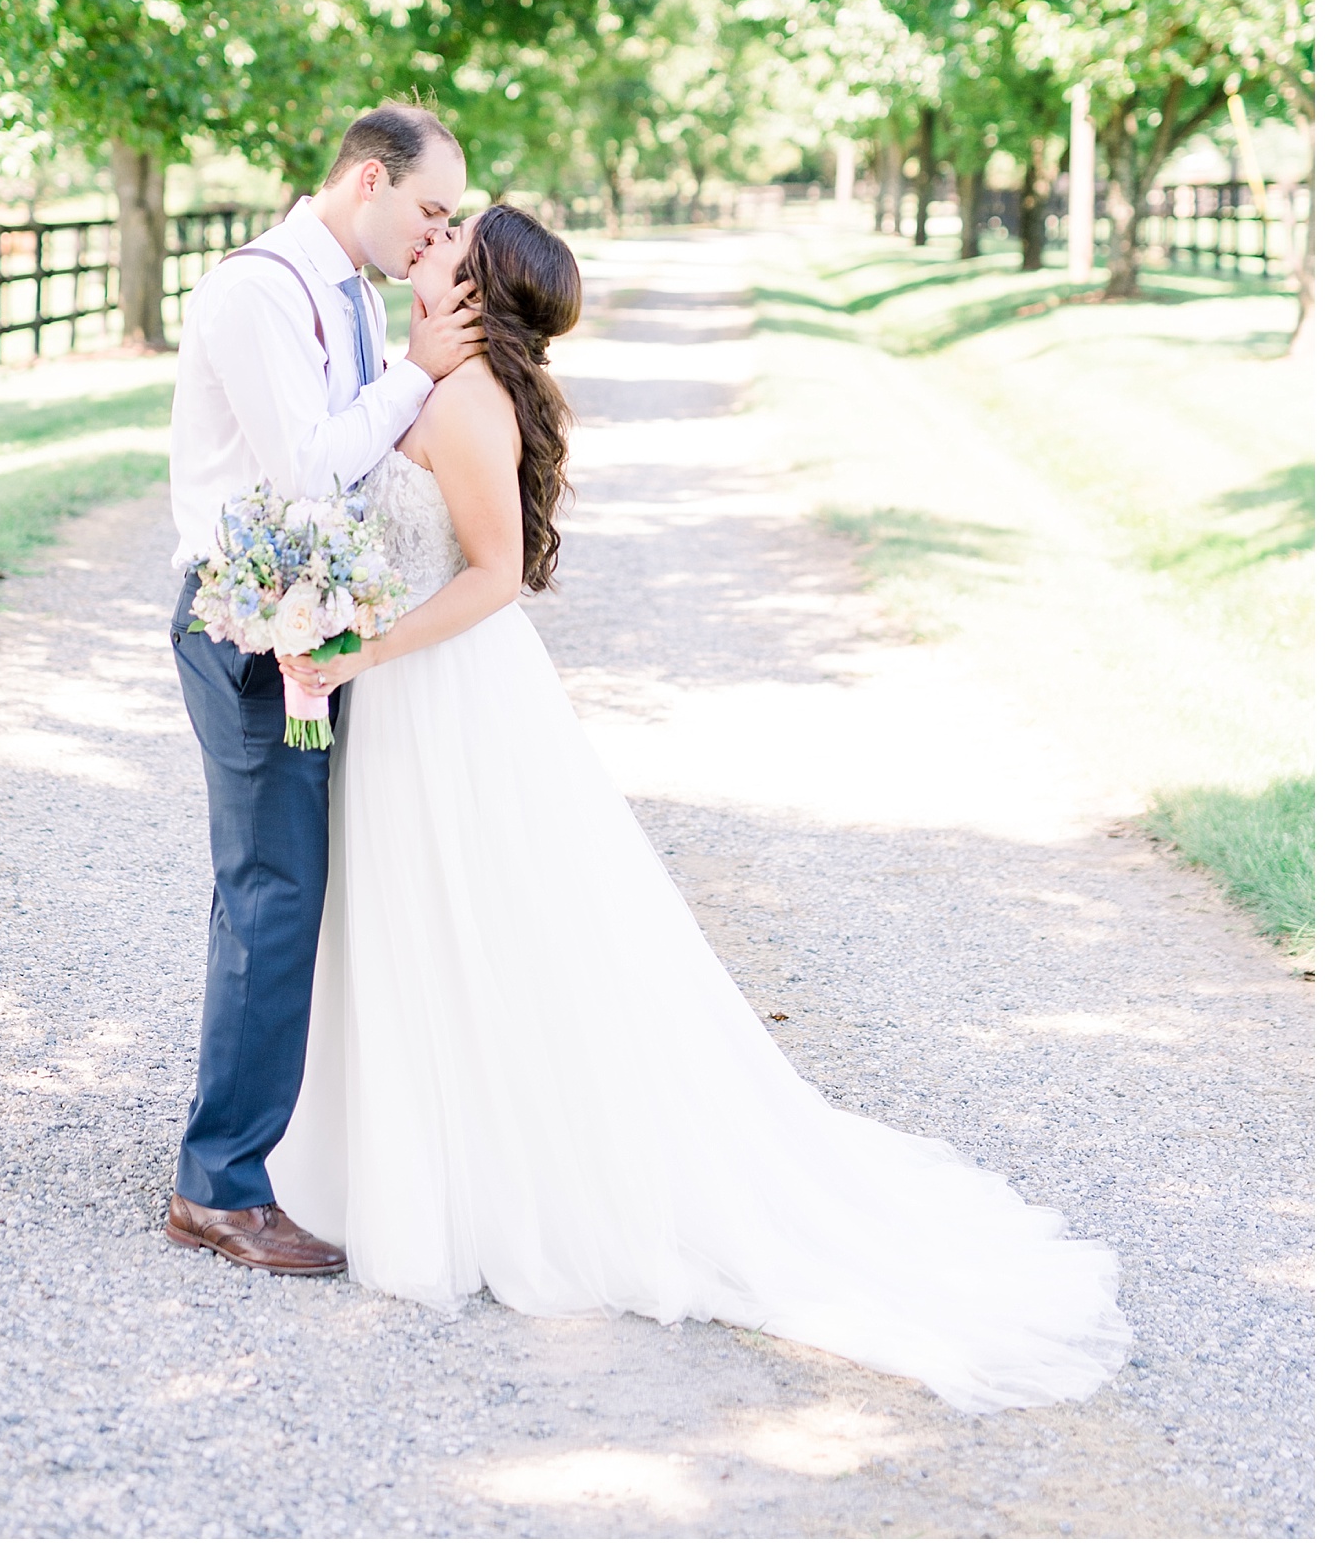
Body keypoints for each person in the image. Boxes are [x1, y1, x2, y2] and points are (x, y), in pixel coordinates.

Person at [268, 201, 1133, 1414]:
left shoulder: (464, 403)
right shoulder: (425, 380)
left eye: (455, 236)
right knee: (425, 922)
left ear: (479, 291)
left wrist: (359, 651)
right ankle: (410, 1155)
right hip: (408, 693)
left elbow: (496, 577)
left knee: (479, 918)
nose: (435, 237)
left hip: (448, 695)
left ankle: (497, 1177)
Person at [164, 103, 482, 1275]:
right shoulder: (258, 290)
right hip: (250, 624)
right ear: (366, 179)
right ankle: (220, 1187)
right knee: (274, 894)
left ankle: (258, 1148)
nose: (435, 234)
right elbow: (304, 467)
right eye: (430, 210)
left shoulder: (346, 286)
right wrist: (415, 372)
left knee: (281, 888)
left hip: (311, 613)